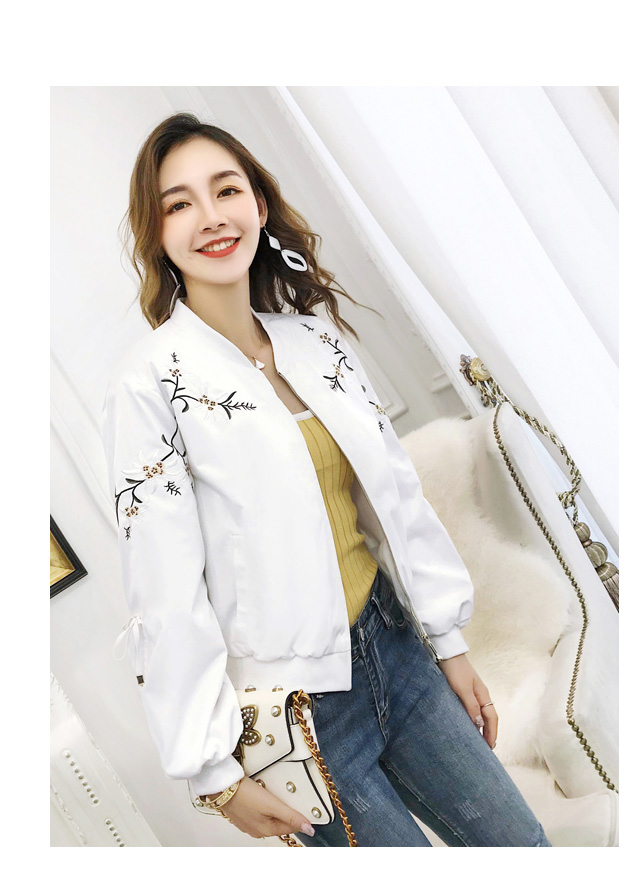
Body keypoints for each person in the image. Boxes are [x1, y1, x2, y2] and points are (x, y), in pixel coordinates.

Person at [101, 112, 551, 847]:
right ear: (155, 232)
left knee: (523, 848)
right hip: (300, 717)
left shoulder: (314, 340)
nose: (211, 217)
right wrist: (211, 772)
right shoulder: (148, 386)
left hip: (395, 649)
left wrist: (449, 642)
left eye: (227, 190)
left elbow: (395, 498)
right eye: (179, 204)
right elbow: (164, 587)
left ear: (259, 205)